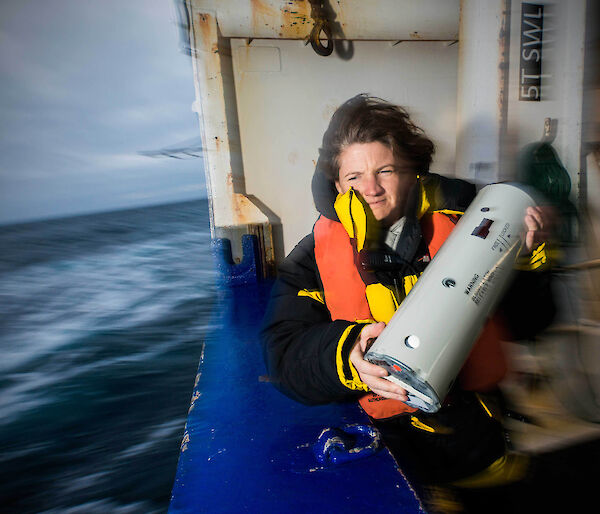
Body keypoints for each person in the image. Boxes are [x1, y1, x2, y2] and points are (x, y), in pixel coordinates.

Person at [260, 95, 554, 501]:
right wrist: (346, 355)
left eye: (386, 170)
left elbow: (532, 323)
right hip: (398, 467)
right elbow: (284, 356)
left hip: (482, 449)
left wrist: (525, 263)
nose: (372, 189)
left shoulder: (470, 225)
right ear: (336, 184)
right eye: (354, 178)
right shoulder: (314, 257)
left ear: (412, 170)